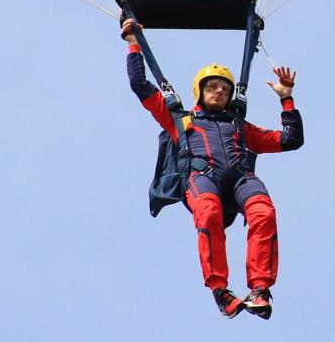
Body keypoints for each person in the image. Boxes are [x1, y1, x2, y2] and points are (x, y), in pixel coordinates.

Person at [121, 18, 304, 319]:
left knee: (264, 213)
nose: (219, 91)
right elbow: (140, 86)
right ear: (200, 90)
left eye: (224, 88)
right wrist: (133, 42)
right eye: (212, 86)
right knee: (208, 214)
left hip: (241, 178)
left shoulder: (240, 127)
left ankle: (260, 289)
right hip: (202, 178)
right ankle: (220, 291)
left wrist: (286, 98)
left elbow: (290, 140)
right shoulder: (180, 120)